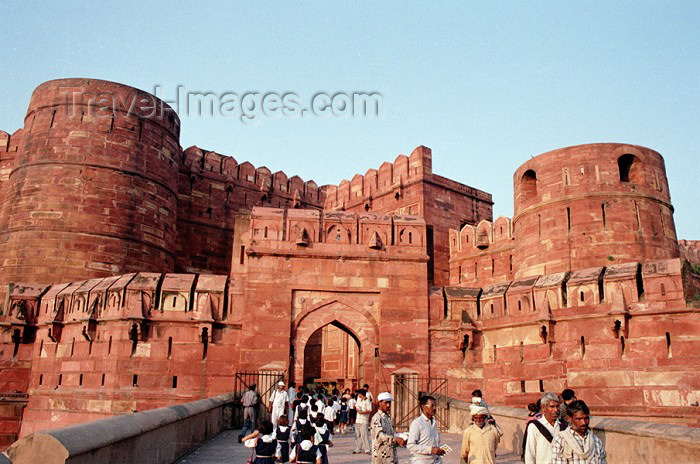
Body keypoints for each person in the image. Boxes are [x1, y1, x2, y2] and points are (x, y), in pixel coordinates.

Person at [523, 392, 566, 464]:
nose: (556, 410)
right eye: (552, 407)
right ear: (543, 408)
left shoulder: (563, 425)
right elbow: (530, 454)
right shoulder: (534, 426)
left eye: (557, 406)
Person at [407, 395, 446, 463]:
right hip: (422, 460)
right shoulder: (417, 423)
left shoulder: (434, 422)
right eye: (432, 406)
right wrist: (430, 449)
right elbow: (410, 445)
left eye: (435, 406)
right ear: (424, 407)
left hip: (435, 460)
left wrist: (438, 450)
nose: (434, 408)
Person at [370, 392, 406, 464]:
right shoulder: (377, 418)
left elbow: (390, 433)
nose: (388, 405)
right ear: (379, 403)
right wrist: (395, 439)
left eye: (389, 403)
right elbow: (380, 436)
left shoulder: (386, 417)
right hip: (381, 455)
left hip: (390, 454)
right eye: (386, 403)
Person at [353, 388, 372, 454]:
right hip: (358, 420)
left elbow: (369, 410)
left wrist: (362, 412)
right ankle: (358, 448)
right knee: (358, 435)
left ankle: (367, 449)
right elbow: (356, 406)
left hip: (364, 420)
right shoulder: (359, 400)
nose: (358, 395)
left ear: (361, 394)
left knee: (364, 435)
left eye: (359, 393)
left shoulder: (367, 401)